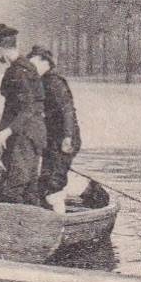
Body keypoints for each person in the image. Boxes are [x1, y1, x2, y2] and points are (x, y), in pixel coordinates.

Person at [0, 23, 48, 207]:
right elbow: (12, 107)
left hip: (25, 138)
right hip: (29, 135)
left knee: (13, 190)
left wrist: (7, 132)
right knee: (29, 189)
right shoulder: (24, 68)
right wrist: (0, 134)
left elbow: (27, 108)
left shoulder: (19, 72)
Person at [28, 46, 79, 213]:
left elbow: (68, 110)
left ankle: (59, 224)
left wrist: (68, 137)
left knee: (53, 187)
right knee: (44, 183)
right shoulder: (41, 82)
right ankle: (47, 217)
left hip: (64, 141)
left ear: (45, 62)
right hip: (52, 141)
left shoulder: (55, 82)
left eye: (34, 63)